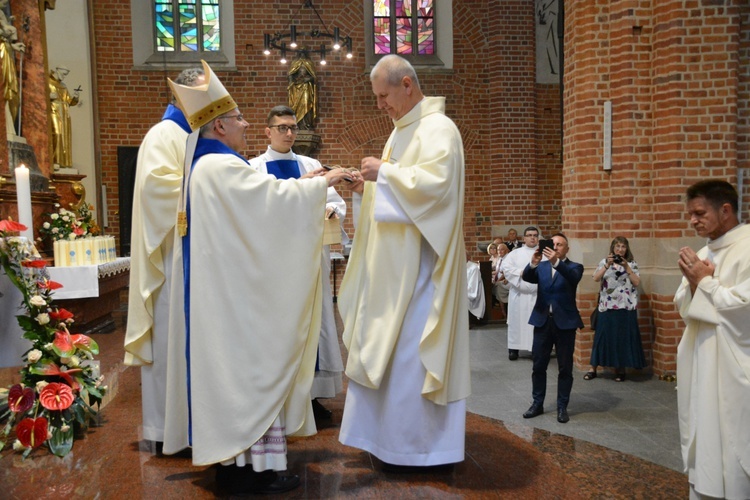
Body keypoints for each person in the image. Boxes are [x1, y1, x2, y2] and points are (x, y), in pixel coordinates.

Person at [162, 60, 354, 495]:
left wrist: (311, 183)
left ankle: (240, 463)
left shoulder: (211, 167)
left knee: (233, 379)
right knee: (246, 376)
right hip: (235, 303)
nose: (245, 124)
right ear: (218, 127)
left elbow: (263, 201)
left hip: (225, 294)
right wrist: (324, 183)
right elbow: (270, 203)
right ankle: (250, 472)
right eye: (237, 118)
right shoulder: (220, 168)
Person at [337, 54, 470, 470]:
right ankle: (386, 442)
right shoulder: (400, 132)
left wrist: (386, 175)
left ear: (407, 84)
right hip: (395, 271)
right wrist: (368, 186)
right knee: (390, 358)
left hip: (423, 274)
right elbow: (398, 192)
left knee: (412, 361)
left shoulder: (438, 129)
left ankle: (421, 450)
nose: (380, 105)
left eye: (383, 95)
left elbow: (438, 189)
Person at [123, 67, 205, 453]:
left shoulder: (192, 134)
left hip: (192, 254)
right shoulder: (164, 134)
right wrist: (211, 186)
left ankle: (189, 427)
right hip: (172, 259)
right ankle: (164, 428)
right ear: (183, 96)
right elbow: (160, 189)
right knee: (172, 341)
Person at [248, 105, 345, 420]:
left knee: (313, 326)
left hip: (310, 262)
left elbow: (334, 200)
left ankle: (312, 397)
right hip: (274, 267)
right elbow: (258, 209)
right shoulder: (255, 169)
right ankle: (281, 397)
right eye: (282, 128)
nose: (289, 133)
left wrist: (331, 210)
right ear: (268, 131)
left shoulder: (310, 162)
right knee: (280, 329)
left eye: (292, 127)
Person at [674, 179, 750, 500]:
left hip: (735, 368)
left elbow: (744, 307)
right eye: (690, 214)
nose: (693, 220)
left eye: (700, 213)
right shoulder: (703, 252)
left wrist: (705, 283)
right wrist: (694, 286)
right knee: (706, 434)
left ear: (726, 210)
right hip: (704, 360)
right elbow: (683, 304)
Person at [521, 233, 583, 424]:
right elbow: (528, 277)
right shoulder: (542, 266)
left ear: (566, 249)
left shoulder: (574, 267)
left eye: (560, 244)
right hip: (543, 321)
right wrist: (533, 263)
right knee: (538, 365)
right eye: (553, 244)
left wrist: (557, 262)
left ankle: (562, 406)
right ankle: (537, 403)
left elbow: (573, 278)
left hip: (565, 323)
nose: (555, 247)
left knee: (565, 367)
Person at [585, 236, 645, 382]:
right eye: (617, 246)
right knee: (602, 337)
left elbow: (636, 282)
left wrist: (627, 267)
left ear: (627, 249)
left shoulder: (632, 264)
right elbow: (595, 278)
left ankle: (620, 369)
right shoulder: (604, 262)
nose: (620, 249)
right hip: (607, 306)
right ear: (612, 248)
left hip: (625, 306)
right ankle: (592, 368)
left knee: (622, 338)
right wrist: (607, 265)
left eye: (623, 247)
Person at [500, 226, 540, 360]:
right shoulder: (515, 254)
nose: (532, 237)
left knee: (536, 324)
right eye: (529, 235)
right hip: (519, 294)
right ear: (524, 238)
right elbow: (506, 268)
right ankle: (514, 349)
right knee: (516, 322)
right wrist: (522, 273)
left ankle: (536, 349)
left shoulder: (544, 254)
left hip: (537, 295)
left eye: (535, 235)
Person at [48, 66, 81, 167]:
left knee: (64, 137)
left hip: (64, 113)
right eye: (63, 73)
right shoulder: (47, 82)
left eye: (66, 75)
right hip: (53, 110)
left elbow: (70, 101)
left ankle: (63, 162)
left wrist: (76, 97)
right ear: (57, 70)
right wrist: (48, 96)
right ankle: (55, 161)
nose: (64, 76)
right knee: (57, 134)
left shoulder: (63, 86)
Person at [0, 0, 24, 137]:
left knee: (11, 91)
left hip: (6, 51)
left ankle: (9, 127)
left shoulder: (2, 14)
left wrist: (14, 46)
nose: (5, 2)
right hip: (2, 52)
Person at [287, 56, 316, 130]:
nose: (302, 54)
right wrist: (291, 82)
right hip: (297, 86)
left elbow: (313, 76)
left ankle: (307, 124)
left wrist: (309, 78)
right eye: (301, 52)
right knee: (297, 105)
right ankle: (298, 124)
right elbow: (290, 74)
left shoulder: (309, 63)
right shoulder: (295, 63)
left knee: (307, 104)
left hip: (306, 86)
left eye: (304, 52)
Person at [492, 242, 510, 317]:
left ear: (506, 250)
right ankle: (497, 306)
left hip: (508, 280)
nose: (499, 251)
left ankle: (503, 311)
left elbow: (505, 273)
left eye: (502, 250)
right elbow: (499, 270)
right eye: (498, 250)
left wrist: (498, 280)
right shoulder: (500, 259)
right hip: (501, 279)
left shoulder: (508, 258)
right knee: (492, 285)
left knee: (498, 286)